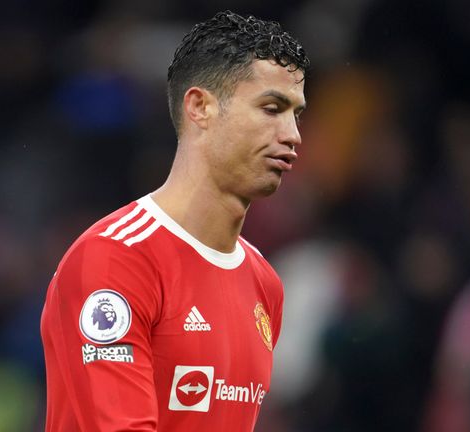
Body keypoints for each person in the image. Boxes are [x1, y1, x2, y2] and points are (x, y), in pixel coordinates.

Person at [40, 10, 309, 431]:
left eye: (296, 114)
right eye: (272, 108)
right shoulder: (114, 260)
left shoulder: (265, 284)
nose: (292, 135)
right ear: (200, 107)